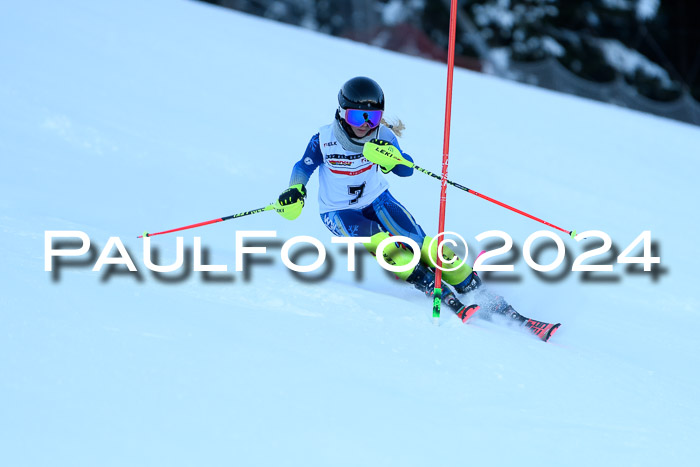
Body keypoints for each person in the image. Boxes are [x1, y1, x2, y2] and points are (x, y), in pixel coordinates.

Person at [274, 76, 486, 320]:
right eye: (357, 117)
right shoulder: (323, 139)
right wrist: (295, 189)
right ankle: (426, 282)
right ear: (342, 113)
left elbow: (405, 170)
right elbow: (303, 167)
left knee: (420, 242)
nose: (365, 125)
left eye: (372, 117)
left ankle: (469, 283)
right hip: (338, 211)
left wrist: (392, 159)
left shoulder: (382, 135)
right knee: (381, 242)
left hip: (378, 199)